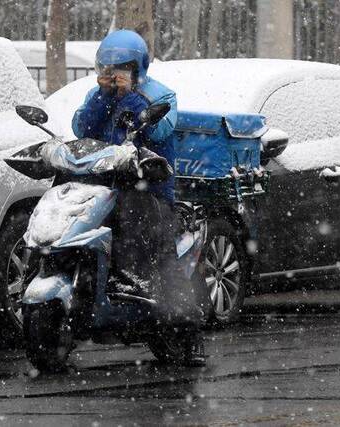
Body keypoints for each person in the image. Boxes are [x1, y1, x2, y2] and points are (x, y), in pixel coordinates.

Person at [72, 29, 207, 367]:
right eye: (105, 67)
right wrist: (104, 97)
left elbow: (159, 130)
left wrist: (132, 99)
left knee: (160, 255)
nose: (111, 73)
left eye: (120, 67)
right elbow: (81, 130)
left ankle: (188, 334)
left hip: (148, 190)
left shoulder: (161, 95)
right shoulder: (97, 94)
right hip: (102, 186)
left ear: (138, 67)